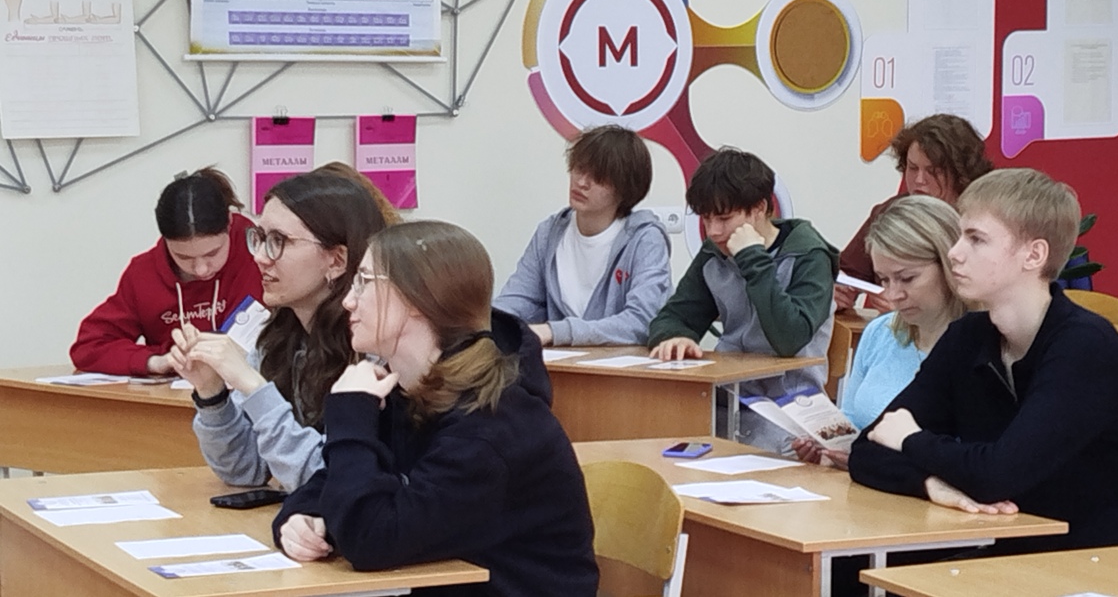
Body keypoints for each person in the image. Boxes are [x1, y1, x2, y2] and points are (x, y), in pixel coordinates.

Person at [850, 168, 1118, 554]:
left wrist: (910, 439)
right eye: (960, 236)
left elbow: (997, 475)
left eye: (976, 239)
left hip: (1108, 560)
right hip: (1014, 544)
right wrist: (930, 484)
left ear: (1033, 255)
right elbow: (866, 451)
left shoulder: (1086, 348)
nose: (954, 252)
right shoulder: (968, 337)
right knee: (853, 571)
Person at [273, 221, 599, 595]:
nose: (348, 300)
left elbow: (371, 538)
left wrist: (350, 415)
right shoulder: (408, 388)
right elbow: (337, 483)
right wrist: (300, 518)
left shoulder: (491, 428)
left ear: (416, 299)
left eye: (364, 281)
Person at [169, 171, 387, 490]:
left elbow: (333, 480)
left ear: (337, 260)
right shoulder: (275, 337)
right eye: (259, 238)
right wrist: (212, 393)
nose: (259, 257)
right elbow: (245, 469)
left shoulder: (376, 350)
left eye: (279, 242)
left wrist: (254, 387)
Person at [647, 147, 838, 452]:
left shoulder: (809, 255)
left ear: (759, 208)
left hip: (791, 409)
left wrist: (752, 258)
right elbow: (672, 317)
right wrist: (676, 335)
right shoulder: (714, 255)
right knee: (658, 435)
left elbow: (789, 339)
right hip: (727, 399)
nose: (714, 232)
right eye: (706, 219)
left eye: (724, 218)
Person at [794, 195, 964, 470]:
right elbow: (852, 421)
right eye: (883, 280)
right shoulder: (880, 332)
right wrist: (829, 452)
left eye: (907, 278)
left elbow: (971, 456)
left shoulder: (982, 347)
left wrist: (869, 462)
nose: (893, 295)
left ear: (949, 265)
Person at [70, 168, 262, 376]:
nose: (201, 269)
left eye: (212, 253)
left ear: (229, 222)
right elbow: (89, 347)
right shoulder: (143, 275)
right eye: (184, 257)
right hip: (177, 391)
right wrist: (157, 361)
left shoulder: (261, 259)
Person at [495, 125, 671, 346]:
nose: (581, 183)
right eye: (579, 169)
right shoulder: (549, 232)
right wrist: (487, 326)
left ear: (625, 188)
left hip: (623, 364)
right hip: (560, 362)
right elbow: (518, 299)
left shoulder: (645, 239)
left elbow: (641, 322)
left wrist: (556, 331)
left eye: (598, 177)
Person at [835, 114, 992, 312]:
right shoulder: (889, 213)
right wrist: (838, 291)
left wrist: (909, 309)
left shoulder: (984, 222)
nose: (919, 180)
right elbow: (847, 273)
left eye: (933, 171)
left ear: (960, 173)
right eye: (912, 168)